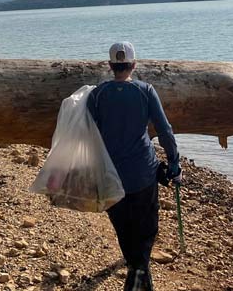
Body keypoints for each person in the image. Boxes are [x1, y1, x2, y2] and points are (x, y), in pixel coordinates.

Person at [87, 42, 181, 291]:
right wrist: (174, 163)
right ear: (134, 65)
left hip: (110, 175)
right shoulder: (145, 90)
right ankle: (138, 278)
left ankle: (136, 273)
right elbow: (164, 131)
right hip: (142, 174)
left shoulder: (96, 95)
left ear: (110, 66)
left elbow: (88, 133)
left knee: (125, 231)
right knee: (147, 230)